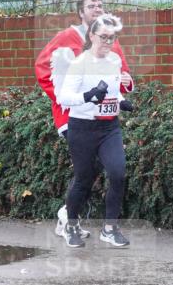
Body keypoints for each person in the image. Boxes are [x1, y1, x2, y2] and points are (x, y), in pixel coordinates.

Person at [34, 0, 134, 239]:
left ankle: (69, 217)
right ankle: (69, 218)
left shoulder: (110, 39)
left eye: (100, 5)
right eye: (91, 6)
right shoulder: (66, 38)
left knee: (101, 168)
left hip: (103, 117)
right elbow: (42, 69)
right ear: (81, 12)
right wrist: (66, 99)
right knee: (87, 170)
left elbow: (120, 75)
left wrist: (121, 92)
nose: (97, 9)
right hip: (73, 116)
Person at [56, 14, 131, 248]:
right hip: (83, 127)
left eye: (112, 38)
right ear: (91, 36)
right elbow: (64, 97)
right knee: (84, 180)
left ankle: (109, 228)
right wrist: (88, 96)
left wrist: (121, 101)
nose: (108, 42)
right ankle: (70, 225)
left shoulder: (115, 60)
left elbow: (111, 92)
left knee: (118, 173)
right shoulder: (80, 63)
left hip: (109, 127)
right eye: (104, 37)